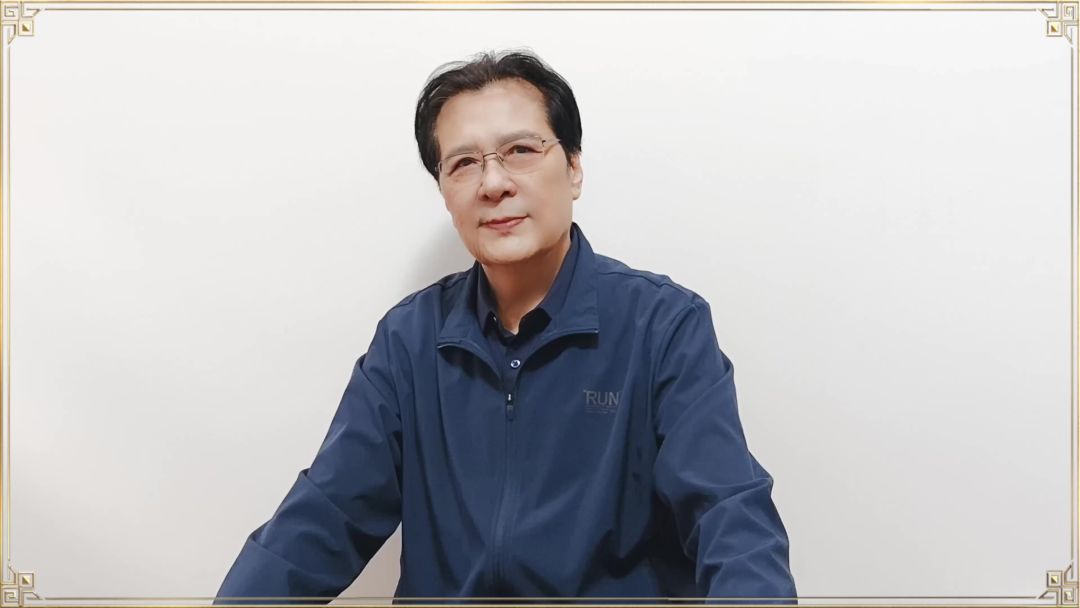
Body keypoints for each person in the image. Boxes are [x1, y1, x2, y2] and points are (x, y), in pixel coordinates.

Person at [215, 49, 797, 602]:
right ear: (445, 192)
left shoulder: (662, 326)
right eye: (463, 163)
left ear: (573, 168)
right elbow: (323, 517)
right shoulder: (409, 340)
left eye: (520, 150)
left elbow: (731, 517)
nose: (493, 184)